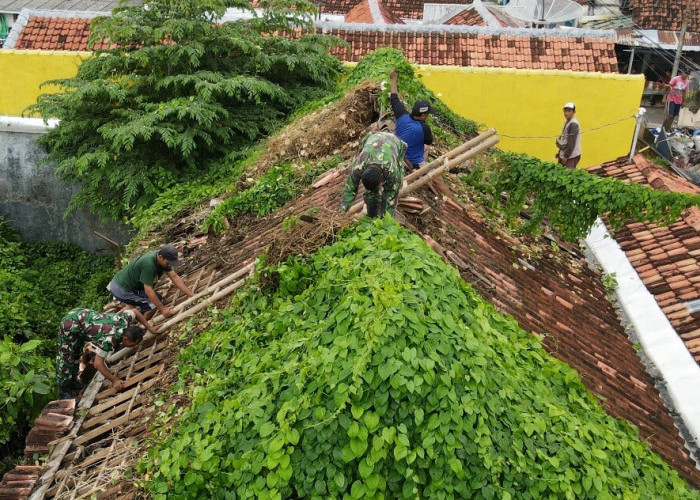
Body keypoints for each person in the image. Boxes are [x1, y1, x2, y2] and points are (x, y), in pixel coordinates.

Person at [57, 308, 152, 398]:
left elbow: (135, 311)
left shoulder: (124, 321)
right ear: (126, 339)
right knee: (67, 357)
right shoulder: (109, 339)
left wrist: (150, 328)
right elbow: (98, 364)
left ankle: (72, 381)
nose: (134, 346)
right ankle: (64, 389)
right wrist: (114, 380)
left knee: (77, 352)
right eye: (133, 344)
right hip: (70, 325)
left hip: (82, 318)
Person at [108, 244, 194, 319]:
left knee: (136, 304)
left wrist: (191, 295)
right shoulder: (149, 265)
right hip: (122, 288)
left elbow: (174, 277)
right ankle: (142, 327)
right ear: (160, 257)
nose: (169, 264)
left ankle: (122, 319)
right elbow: (148, 290)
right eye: (168, 262)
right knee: (153, 304)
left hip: (126, 284)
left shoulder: (161, 259)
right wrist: (163, 309)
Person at [340, 130, 407, 218]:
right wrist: (342, 212)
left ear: (381, 182)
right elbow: (350, 189)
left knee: (394, 187)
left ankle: (381, 216)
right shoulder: (359, 166)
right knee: (371, 195)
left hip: (397, 143)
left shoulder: (392, 172)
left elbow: (391, 199)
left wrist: (387, 221)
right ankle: (371, 216)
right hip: (372, 136)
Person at [389, 70, 434, 170]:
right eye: (427, 114)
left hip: (398, 154)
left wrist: (394, 78)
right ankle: (421, 169)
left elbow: (394, 98)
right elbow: (428, 141)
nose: (428, 116)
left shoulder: (401, 115)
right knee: (426, 147)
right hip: (412, 162)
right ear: (422, 116)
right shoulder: (424, 128)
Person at [555, 102, 581, 169]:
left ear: (574, 112)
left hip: (571, 156)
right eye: (565, 111)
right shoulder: (567, 122)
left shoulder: (573, 124)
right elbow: (564, 139)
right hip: (565, 153)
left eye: (569, 111)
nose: (566, 113)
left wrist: (566, 156)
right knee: (560, 173)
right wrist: (560, 151)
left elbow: (571, 142)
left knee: (568, 176)